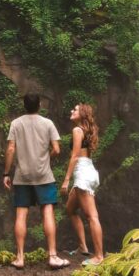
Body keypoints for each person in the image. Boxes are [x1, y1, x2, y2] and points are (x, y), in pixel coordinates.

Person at [3, 93, 70, 270]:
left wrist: (6, 173)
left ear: (24, 106)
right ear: (39, 105)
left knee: (21, 214)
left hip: (22, 175)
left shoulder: (16, 123)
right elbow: (56, 148)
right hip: (44, 175)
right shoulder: (48, 123)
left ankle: (19, 258)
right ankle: (53, 256)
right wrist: (46, 157)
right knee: (47, 211)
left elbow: (10, 149)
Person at [60, 103, 104, 265]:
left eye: (76, 109)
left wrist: (66, 180)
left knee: (92, 216)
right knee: (70, 209)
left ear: (82, 114)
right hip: (88, 170)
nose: (72, 111)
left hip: (83, 174)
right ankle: (83, 247)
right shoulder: (87, 130)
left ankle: (99, 256)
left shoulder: (77, 130)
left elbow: (75, 157)